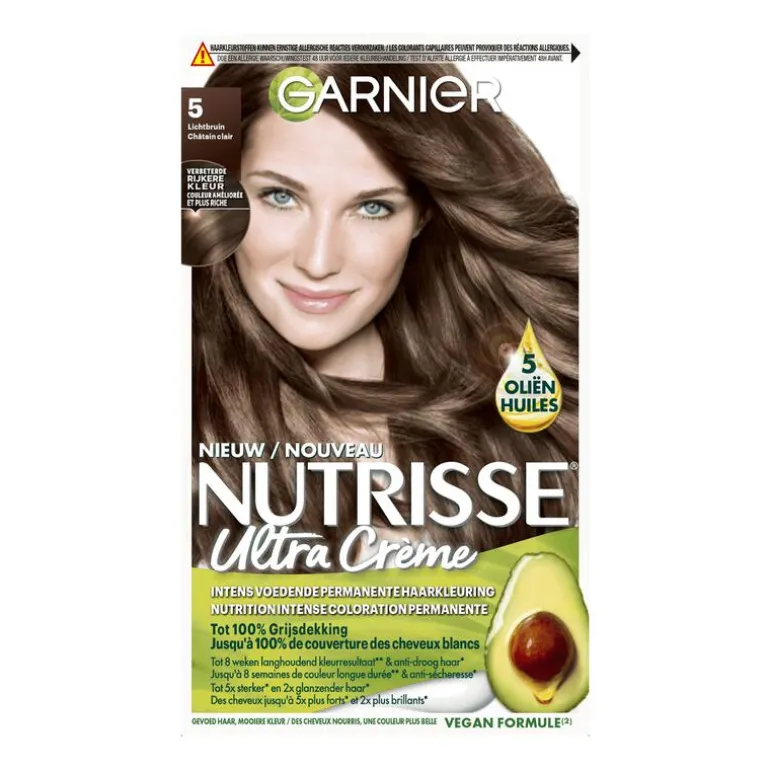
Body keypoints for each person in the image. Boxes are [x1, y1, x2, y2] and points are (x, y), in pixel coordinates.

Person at [186, 63, 578, 571]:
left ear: (423, 215)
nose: (319, 261)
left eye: (372, 208)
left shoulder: (525, 421)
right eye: (280, 197)